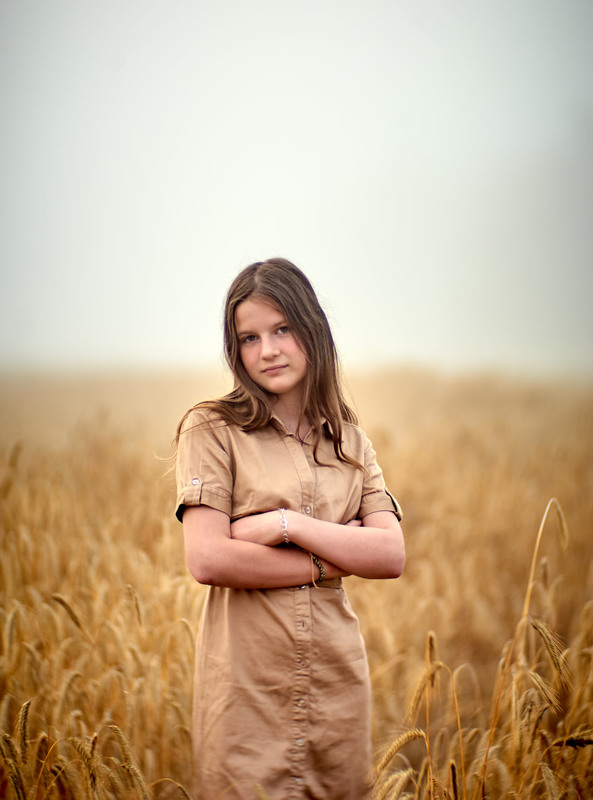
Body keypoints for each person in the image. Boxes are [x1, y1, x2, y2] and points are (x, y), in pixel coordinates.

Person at [174, 257, 405, 800]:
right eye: (249, 338)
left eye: (282, 329)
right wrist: (332, 557)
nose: (268, 350)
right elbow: (208, 559)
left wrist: (286, 524)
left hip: (336, 683)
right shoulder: (210, 429)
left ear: (313, 329)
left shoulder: (350, 442)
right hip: (246, 690)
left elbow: (390, 555)